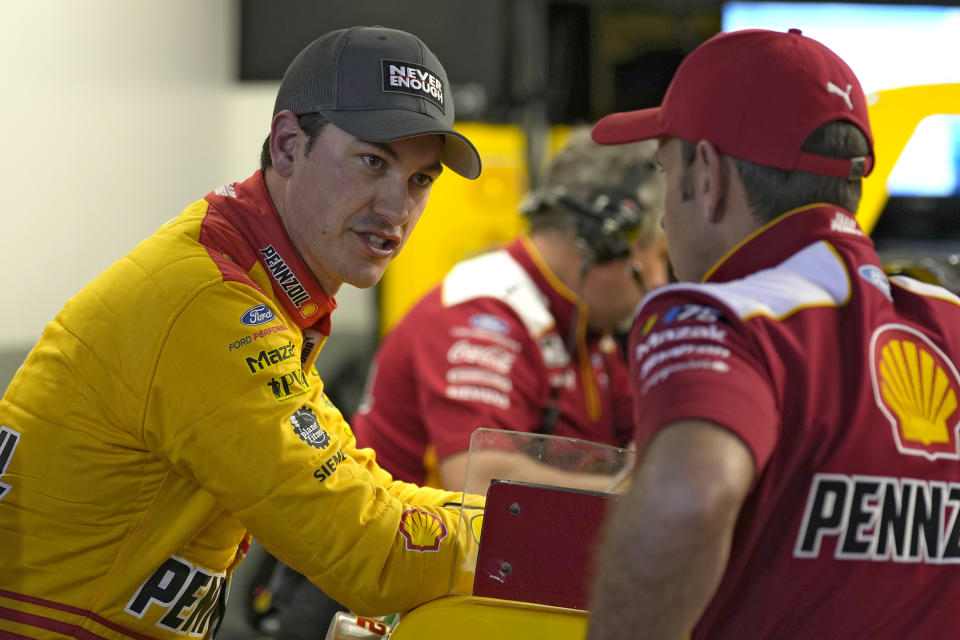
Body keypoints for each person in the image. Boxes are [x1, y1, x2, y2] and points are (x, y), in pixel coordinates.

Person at [0, 26, 484, 640]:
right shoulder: (212, 303)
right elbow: (371, 553)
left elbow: (365, 491)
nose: (397, 210)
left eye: (421, 180)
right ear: (287, 146)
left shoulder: (253, 278)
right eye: (373, 161)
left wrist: (537, 520)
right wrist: (550, 538)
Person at [586, 27, 960, 640]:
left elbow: (690, 498)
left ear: (706, 176)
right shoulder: (948, 320)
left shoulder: (719, 318)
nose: (659, 216)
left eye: (663, 170)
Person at [351, 126, 667, 491]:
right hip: (413, 545)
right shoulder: (479, 312)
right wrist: (637, 496)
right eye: (659, 257)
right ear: (606, 243)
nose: (660, 280)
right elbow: (483, 483)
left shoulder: (587, 328)